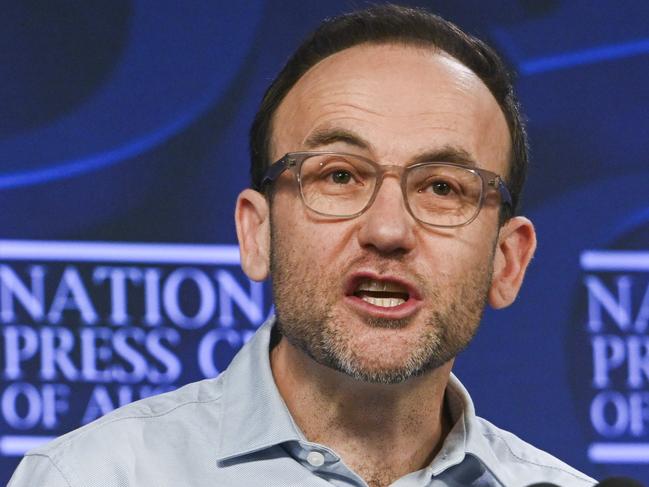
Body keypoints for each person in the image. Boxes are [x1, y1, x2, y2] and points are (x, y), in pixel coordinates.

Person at [9, 5, 596, 487]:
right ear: (256, 233)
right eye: (339, 176)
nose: (387, 231)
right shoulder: (95, 477)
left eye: (442, 187)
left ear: (508, 260)